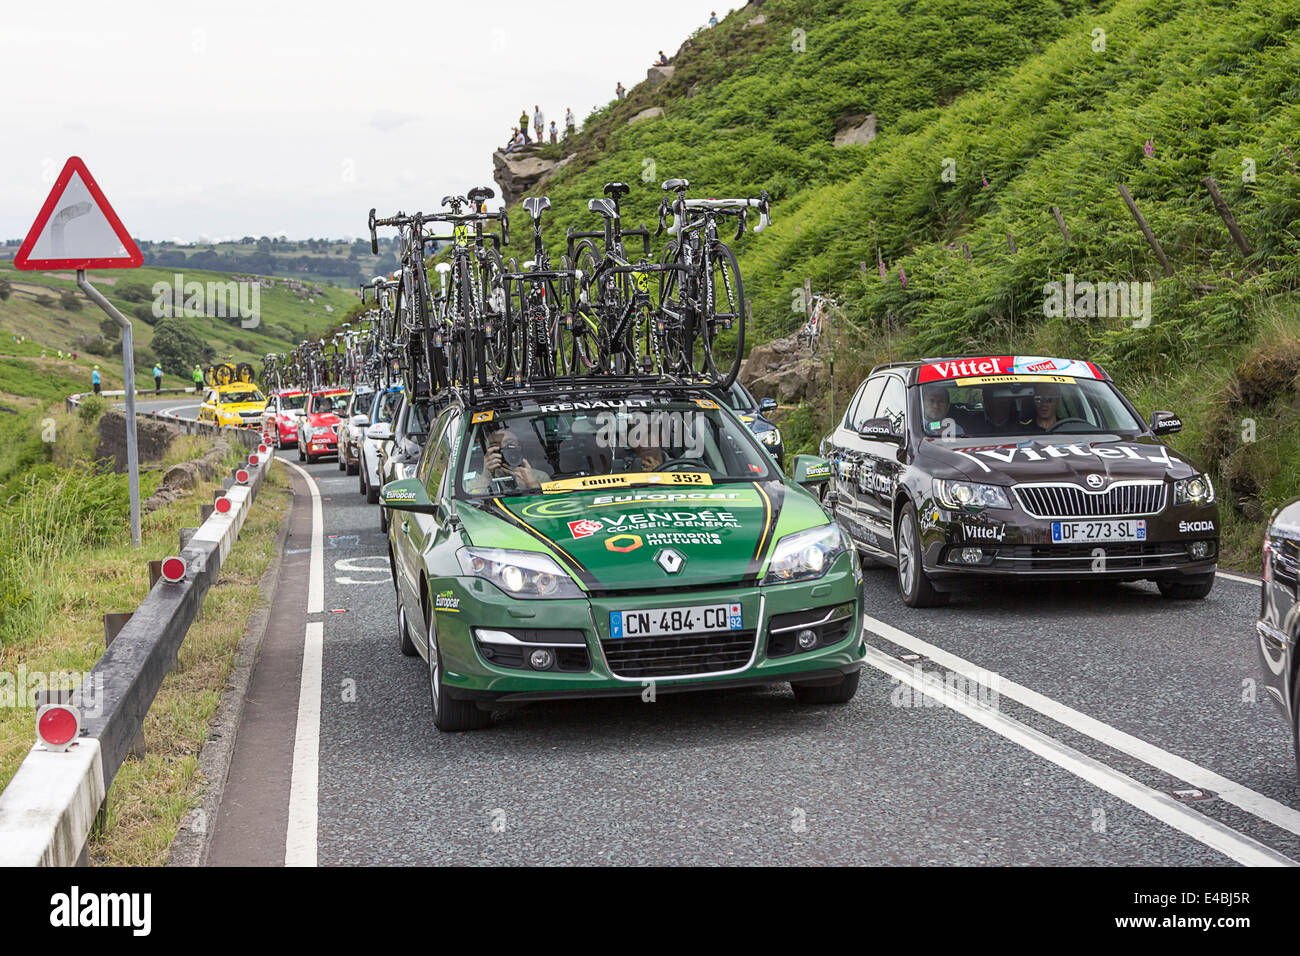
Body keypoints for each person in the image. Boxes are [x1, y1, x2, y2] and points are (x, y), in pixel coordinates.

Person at [471, 426, 548, 493]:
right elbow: (468, 507)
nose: (504, 449)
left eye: (509, 444)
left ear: (519, 447)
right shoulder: (473, 482)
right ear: (488, 451)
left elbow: (553, 505)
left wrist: (532, 484)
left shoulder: (539, 477)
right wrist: (485, 477)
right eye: (495, 445)